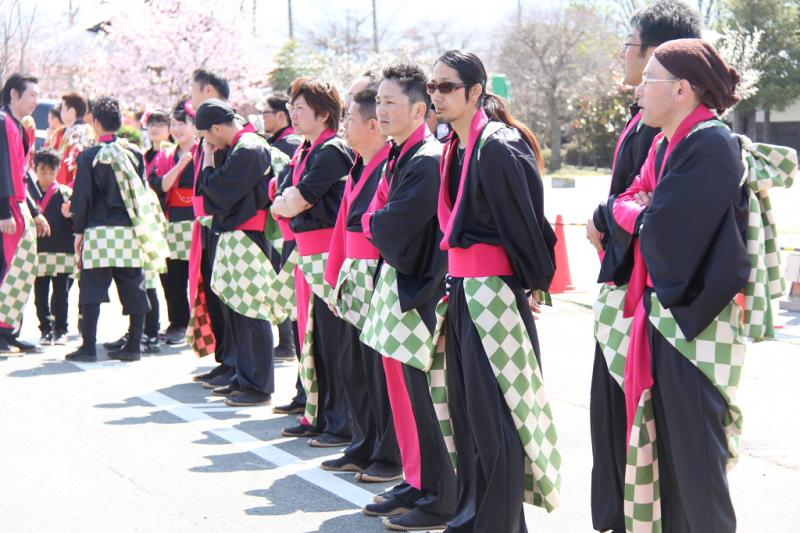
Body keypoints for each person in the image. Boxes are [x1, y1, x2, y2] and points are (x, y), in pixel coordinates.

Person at [594, 38, 778, 533]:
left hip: (696, 322)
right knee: (667, 458)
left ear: (681, 89)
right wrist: (631, 208)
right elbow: (633, 198)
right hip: (667, 312)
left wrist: (625, 212)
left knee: (697, 464)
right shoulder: (666, 142)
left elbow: (662, 231)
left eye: (649, 79)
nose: (638, 91)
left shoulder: (711, 143)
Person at [431, 50, 562, 532]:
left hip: (495, 294)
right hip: (466, 288)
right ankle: (475, 516)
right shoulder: (458, 146)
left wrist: (532, 284)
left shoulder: (499, 145)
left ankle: (500, 525)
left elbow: (527, 227)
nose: (437, 96)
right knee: (467, 414)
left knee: (497, 414)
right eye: (432, 86)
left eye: (447, 87)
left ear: (476, 91)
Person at [583, 2, 702, 531]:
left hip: (643, 292)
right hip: (622, 283)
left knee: (636, 420)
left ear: (659, 56)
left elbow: (648, 206)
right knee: (611, 416)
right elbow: (631, 197)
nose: (623, 58)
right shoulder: (644, 122)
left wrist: (607, 216)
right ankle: (620, 518)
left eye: (629, 47)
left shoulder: (686, 134)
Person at [358, 63, 456, 531]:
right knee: (405, 396)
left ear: (420, 109)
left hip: (420, 291)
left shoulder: (427, 159)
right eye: (378, 101)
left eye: (391, 102)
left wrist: (374, 221)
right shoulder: (404, 155)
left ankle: (440, 492)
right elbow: (375, 216)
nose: (382, 110)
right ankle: (418, 480)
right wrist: (375, 220)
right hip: (400, 287)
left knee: (425, 396)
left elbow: (387, 224)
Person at [321, 87, 402, 482]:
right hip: (354, 273)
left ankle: (388, 454)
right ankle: (362, 443)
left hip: (376, 274)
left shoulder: (390, 162)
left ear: (373, 126)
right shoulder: (358, 164)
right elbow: (341, 226)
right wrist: (334, 276)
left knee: (377, 371)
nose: (343, 127)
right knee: (353, 366)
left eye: (348, 120)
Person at [270, 76, 354, 447]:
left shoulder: (332, 150)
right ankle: (316, 411)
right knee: (310, 335)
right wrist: (284, 201)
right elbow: (280, 194)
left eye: (299, 108)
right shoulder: (306, 149)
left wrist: (284, 202)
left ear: (322, 113)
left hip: (325, 251)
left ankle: (337, 421)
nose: (293, 113)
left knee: (329, 339)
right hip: (307, 251)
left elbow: (298, 198)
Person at [67, 96, 168, 363]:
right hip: (128, 230)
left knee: (91, 289)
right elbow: (143, 194)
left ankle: (89, 346)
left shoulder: (90, 155)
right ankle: (134, 345)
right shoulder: (134, 153)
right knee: (134, 286)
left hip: (99, 230)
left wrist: (79, 231)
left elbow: (83, 197)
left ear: (96, 122)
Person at [195, 98, 276, 407]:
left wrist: (208, 161)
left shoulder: (250, 148)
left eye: (206, 136)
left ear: (217, 128)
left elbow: (216, 190)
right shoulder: (240, 147)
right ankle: (244, 378)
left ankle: (258, 384)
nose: (207, 143)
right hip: (236, 234)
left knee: (251, 310)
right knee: (236, 308)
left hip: (249, 236)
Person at [187, 68, 239, 388]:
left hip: (222, 221)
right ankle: (225, 357)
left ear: (207, 91)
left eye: (193, 90)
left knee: (227, 296)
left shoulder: (226, 132)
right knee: (212, 291)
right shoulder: (209, 131)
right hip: (206, 220)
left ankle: (234, 361)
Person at [0, 73, 48, 354]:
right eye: (32, 95)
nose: (36, 101)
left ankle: (10, 328)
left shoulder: (17, 125)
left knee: (21, 269)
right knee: (8, 269)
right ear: (14, 95)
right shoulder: (3, 122)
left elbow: (22, 174)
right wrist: (4, 210)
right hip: (7, 210)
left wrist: (35, 209)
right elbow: (2, 169)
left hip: (18, 208)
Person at [149, 97, 197, 345]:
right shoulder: (167, 154)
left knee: (200, 276)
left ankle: (200, 323)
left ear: (194, 125)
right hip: (172, 221)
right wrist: (179, 165)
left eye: (182, 124)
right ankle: (178, 322)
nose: (177, 129)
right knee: (172, 277)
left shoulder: (206, 151)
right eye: (174, 124)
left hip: (198, 222)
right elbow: (160, 185)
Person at [262, 91, 302, 362]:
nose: (263, 119)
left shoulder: (288, 144)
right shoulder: (289, 143)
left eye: (266, 113)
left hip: (287, 229)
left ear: (280, 115)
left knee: (286, 287)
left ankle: (286, 342)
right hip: (283, 225)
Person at [29, 148, 75, 345]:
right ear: (34, 170)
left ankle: (61, 328)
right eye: (42, 172)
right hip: (38, 251)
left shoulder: (66, 193)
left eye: (51, 172)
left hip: (63, 250)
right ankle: (45, 329)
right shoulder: (29, 193)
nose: (47, 177)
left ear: (58, 171)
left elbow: (78, 220)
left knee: (61, 294)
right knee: (40, 294)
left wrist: (70, 215)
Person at [56, 91, 95, 186]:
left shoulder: (74, 132)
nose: (60, 112)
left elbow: (70, 166)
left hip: (70, 186)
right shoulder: (89, 129)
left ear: (72, 112)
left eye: (63, 109)